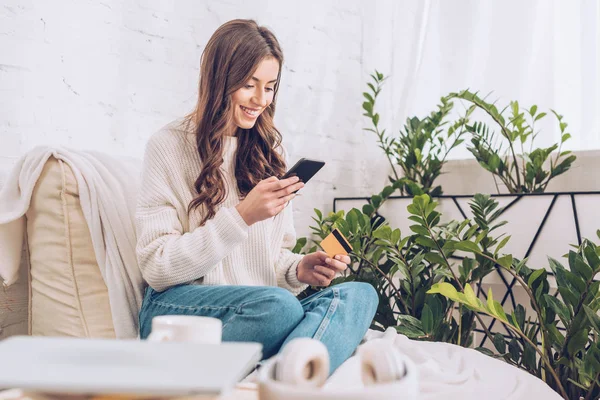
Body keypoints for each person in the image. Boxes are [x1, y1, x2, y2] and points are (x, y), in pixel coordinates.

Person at [136, 19, 378, 374]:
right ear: (220, 81)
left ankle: (286, 374)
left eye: (269, 87)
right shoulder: (168, 145)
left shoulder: (267, 154)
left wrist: (298, 269)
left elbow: (271, 260)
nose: (260, 100)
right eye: (249, 85)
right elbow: (158, 268)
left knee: (359, 296)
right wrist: (241, 216)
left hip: (259, 304)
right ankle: (299, 361)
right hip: (177, 312)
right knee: (279, 309)